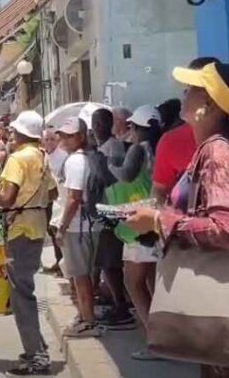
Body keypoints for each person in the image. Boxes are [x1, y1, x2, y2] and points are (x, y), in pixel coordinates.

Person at [125, 62, 229, 378]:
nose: (183, 94)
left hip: (221, 309)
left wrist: (161, 221)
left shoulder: (217, 151)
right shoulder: (213, 148)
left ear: (210, 104)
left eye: (191, 89)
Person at [0, 111, 56, 375]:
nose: (11, 135)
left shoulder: (18, 158)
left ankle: (36, 356)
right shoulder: (42, 156)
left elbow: (6, 197)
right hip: (36, 227)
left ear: (22, 133)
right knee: (24, 288)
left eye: (14, 132)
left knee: (21, 294)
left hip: (20, 230)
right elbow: (53, 192)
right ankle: (37, 347)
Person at [106, 105, 163, 360]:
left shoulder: (139, 150)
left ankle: (155, 341)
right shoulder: (159, 148)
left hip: (140, 222)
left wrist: (109, 164)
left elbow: (125, 176)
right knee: (150, 283)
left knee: (134, 282)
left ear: (138, 128)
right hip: (156, 220)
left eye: (131, 127)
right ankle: (161, 337)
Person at [53, 118, 103, 338]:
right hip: (89, 225)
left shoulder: (75, 162)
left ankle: (89, 322)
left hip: (78, 227)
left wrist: (62, 227)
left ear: (81, 137)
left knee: (81, 277)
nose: (64, 139)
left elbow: (74, 198)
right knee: (84, 276)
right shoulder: (89, 158)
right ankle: (84, 316)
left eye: (69, 135)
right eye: (62, 135)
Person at [89, 108, 135, 331]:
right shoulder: (99, 148)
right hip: (105, 210)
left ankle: (122, 307)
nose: (96, 127)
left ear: (109, 124)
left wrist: (98, 161)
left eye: (100, 123)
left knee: (110, 261)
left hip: (114, 209)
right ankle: (119, 302)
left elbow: (112, 179)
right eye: (94, 123)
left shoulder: (113, 147)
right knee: (107, 261)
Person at [151, 57, 221, 202]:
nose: (184, 93)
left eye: (190, 87)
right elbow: (158, 193)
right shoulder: (170, 142)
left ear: (208, 100)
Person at [43, 128, 67, 273]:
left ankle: (64, 262)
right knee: (51, 230)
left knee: (58, 231)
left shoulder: (63, 156)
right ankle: (59, 260)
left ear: (57, 141)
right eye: (47, 139)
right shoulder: (44, 156)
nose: (49, 142)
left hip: (59, 198)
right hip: (47, 198)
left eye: (52, 139)